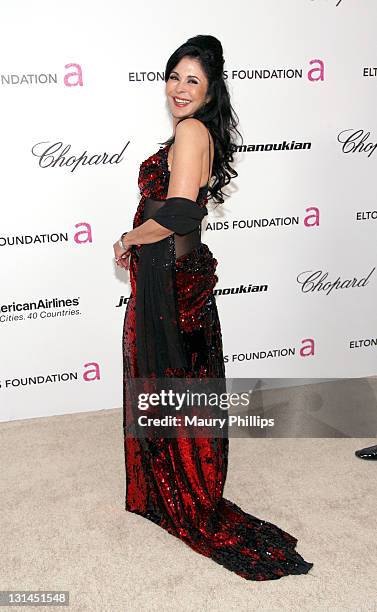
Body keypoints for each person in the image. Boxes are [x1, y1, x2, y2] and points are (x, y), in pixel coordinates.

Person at [113, 34, 313, 581]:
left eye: (192, 80)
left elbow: (178, 213)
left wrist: (130, 238)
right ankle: (170, 485)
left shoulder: (192, 130)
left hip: (170, 279)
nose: (179, 88)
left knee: (169, 378)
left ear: (209, 89)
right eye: (174, 76)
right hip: (174, 275)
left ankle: (182, 489)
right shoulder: (195, 132)